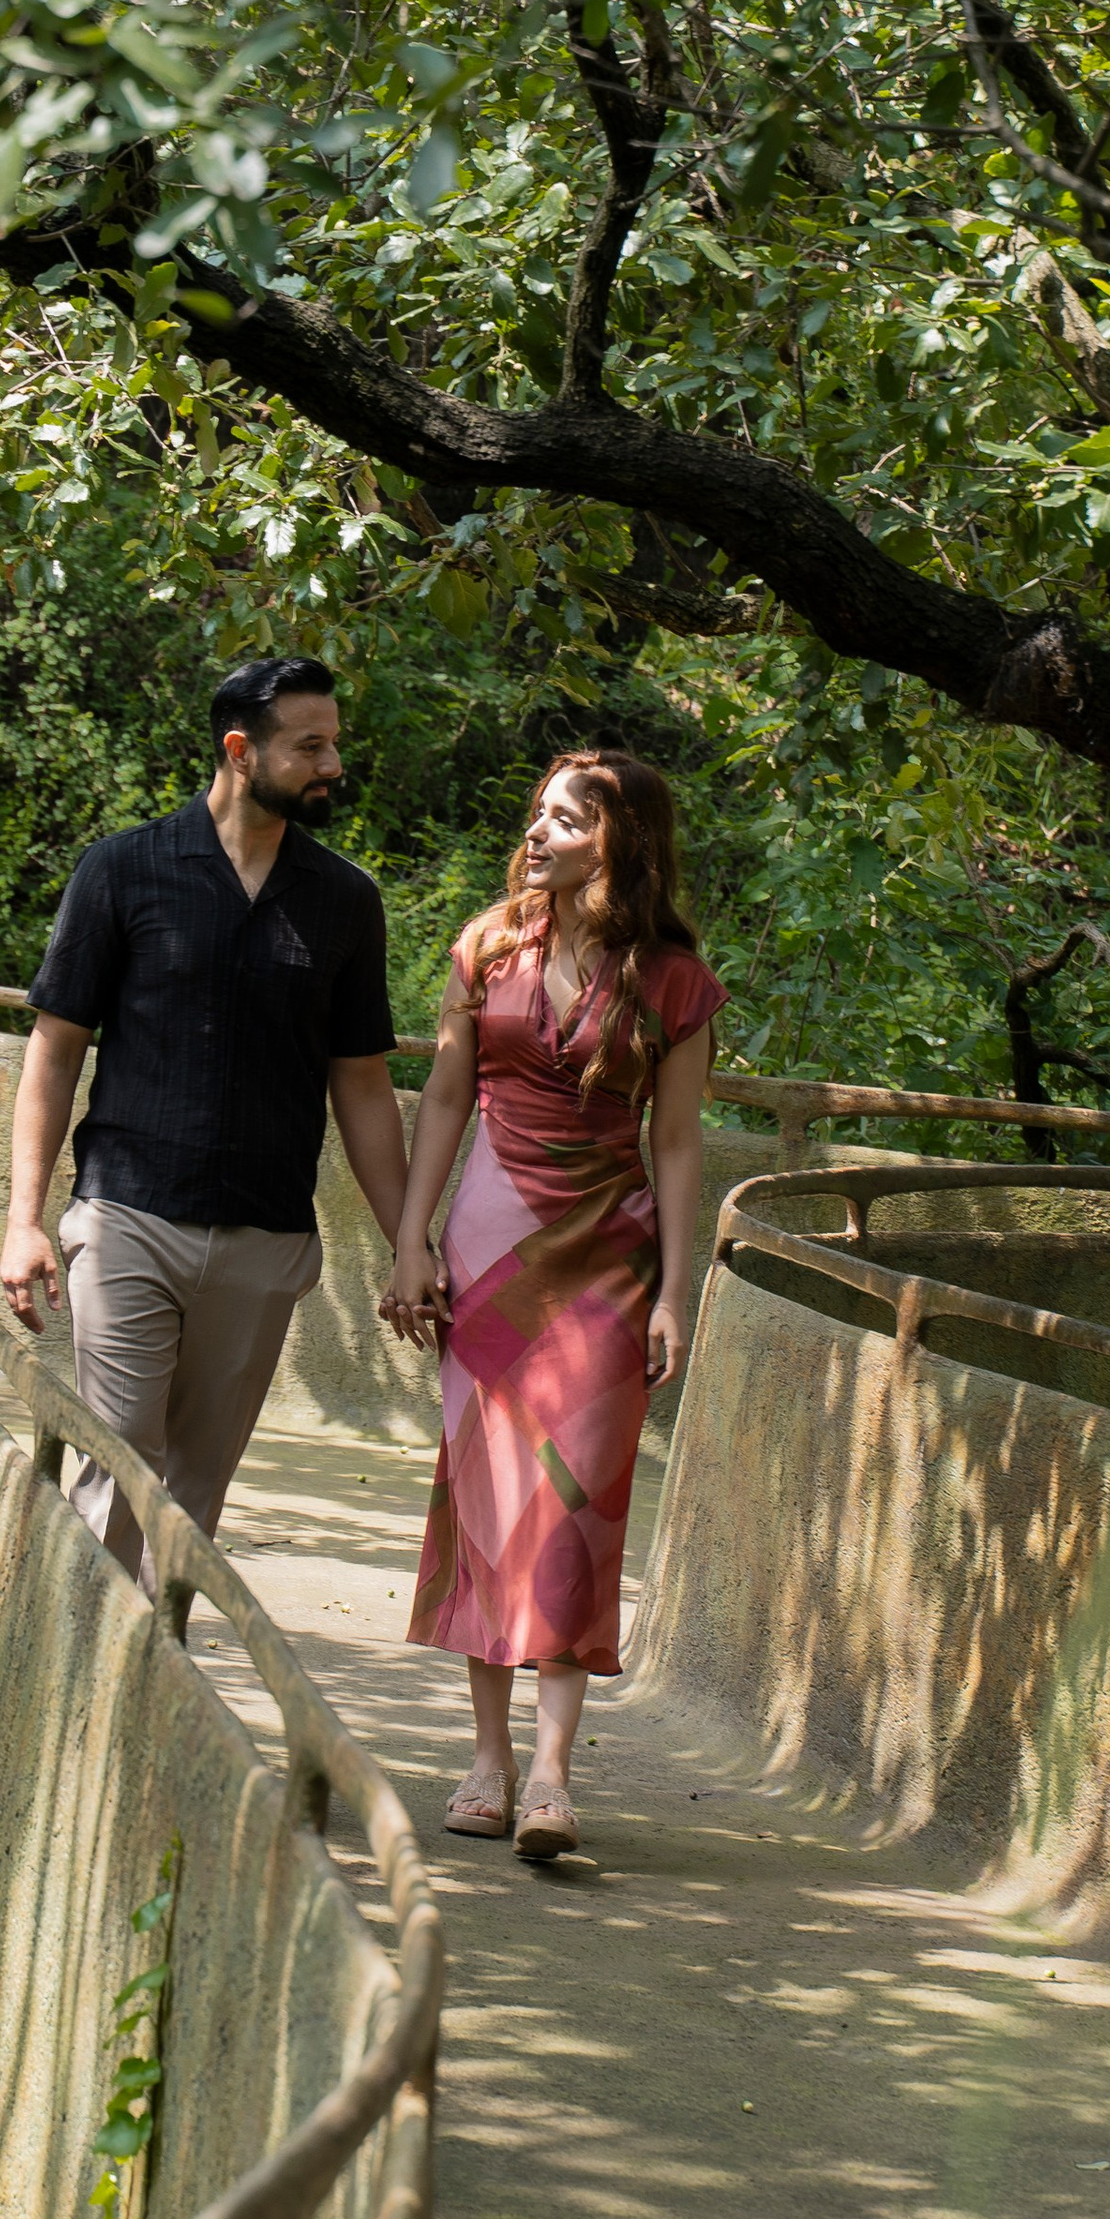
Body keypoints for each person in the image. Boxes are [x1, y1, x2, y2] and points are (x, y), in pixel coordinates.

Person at [0, 654, 410, 1576]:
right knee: (115, 1467)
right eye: (310, 746)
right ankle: (87, 1655)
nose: (333, 764)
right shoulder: (122, 869)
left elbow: (361, 1083)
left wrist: (407, 1242)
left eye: (334, 743)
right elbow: (55, 1048)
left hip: (267, 1237)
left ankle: (161, 1658)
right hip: (128, 1217)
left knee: (193, 1500)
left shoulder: (346, 900)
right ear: (240, 750)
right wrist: (24, 1219)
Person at [383, 751, 723, 1861]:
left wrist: (677, 1289)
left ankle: (552, 1776)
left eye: (565, 819)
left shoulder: (674, 981)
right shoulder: (487, 946)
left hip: (609, 1261)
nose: (537, 832)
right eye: (537, 814)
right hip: (488, 1251)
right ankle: (486, 1762)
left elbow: (678, 1142)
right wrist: (409, 1241)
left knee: (575, 1508)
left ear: (619, 840)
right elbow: (444, 1096)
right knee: (487, 1497)